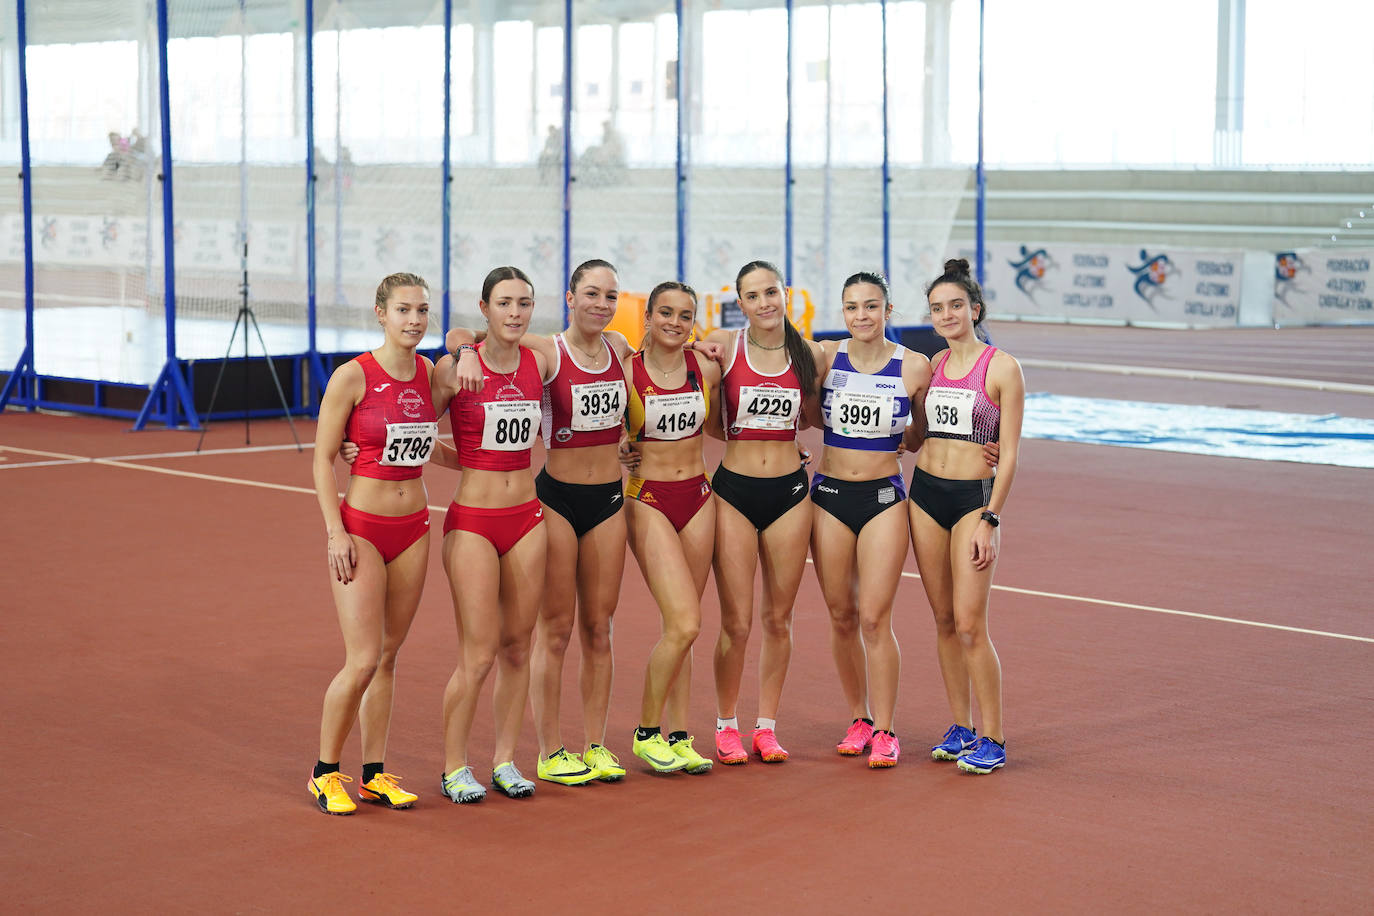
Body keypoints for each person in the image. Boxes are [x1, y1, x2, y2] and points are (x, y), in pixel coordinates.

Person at [444, 259, 640, 787]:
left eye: (610, 295)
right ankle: (550, 750)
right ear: (570, 297)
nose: (601, 304)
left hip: (608, 499)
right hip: (553, 500)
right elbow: (468, 333)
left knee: (600, 628)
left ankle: (594, 745)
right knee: (554, 630)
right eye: (591, 293)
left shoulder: (621, 349)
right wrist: (464, 348)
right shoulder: (545, 350)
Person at [307, 272, 455, 815]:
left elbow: (428, 441)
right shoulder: (352, 376)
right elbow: (323, 458)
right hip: (362, 529)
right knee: (364, 657)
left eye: (422, 311)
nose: (414, 320)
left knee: (390, 656)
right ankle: (325, 772)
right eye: (403, 310)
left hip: (414, 527)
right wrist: (335, 532)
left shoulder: (430, 375)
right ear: (380, 313)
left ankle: (373, 772)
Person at [432, 266, 551, 803]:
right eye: (504, 303)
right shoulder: (457, 369)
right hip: (475, 523)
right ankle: (455, 766)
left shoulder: (538, 362)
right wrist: (461, 349)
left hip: (527, 518)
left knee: (519, 649)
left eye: (524, 303)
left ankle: (505, 760)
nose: (515, 313)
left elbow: (602, 345)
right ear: (484, 308)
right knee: (477, 654)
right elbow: (412, 430)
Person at [702, 260, 823, 765]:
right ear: (742, 303)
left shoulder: (809, 353)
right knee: (736, 622)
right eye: (753, 297)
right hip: (734, 492)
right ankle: (726, 724)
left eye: (771, 292)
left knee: (779, 618)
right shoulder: (724, 347)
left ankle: (766, 727)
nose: (765, 303)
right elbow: (707, 422)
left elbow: (816, 419)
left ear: (784, 294)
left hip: (791, 496)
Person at [808, 272, 931, 768]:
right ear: (842, 312)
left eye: (871, 306)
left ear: (888, 310)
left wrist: (986, 447)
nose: (861, 315)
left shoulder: (914, 366)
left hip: (883, 497)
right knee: (841, 616)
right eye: (852, 307)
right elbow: (807, 412)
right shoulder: (825, 356)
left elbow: (922, 434)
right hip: (830, 494)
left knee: (875, 619)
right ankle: (858, 718)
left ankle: (886, 728)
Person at [907, 258, 1024, 775]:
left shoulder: (1002, 367)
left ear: (974, 309)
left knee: (972, 624)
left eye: (956, 305)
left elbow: (1013, 454)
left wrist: (991, 519)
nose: (947, 314)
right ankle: (960, 726)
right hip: (925, 493)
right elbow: (916, 437)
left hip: (973, 501)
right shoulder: (931, 368)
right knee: (943, 620)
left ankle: (993, 735)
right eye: (937, 308)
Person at [623, 281, 722, 776]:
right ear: (648, 316)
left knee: (686, 630)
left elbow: (730, 425)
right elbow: (597, 426)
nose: (675, 323)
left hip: (700, 497)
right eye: (665, 313)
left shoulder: (703, 367)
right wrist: (621, 446)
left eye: (685, 316)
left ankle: (680, 735)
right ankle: (646, 733)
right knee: (684, 621)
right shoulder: (625, 371)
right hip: (650, 499)